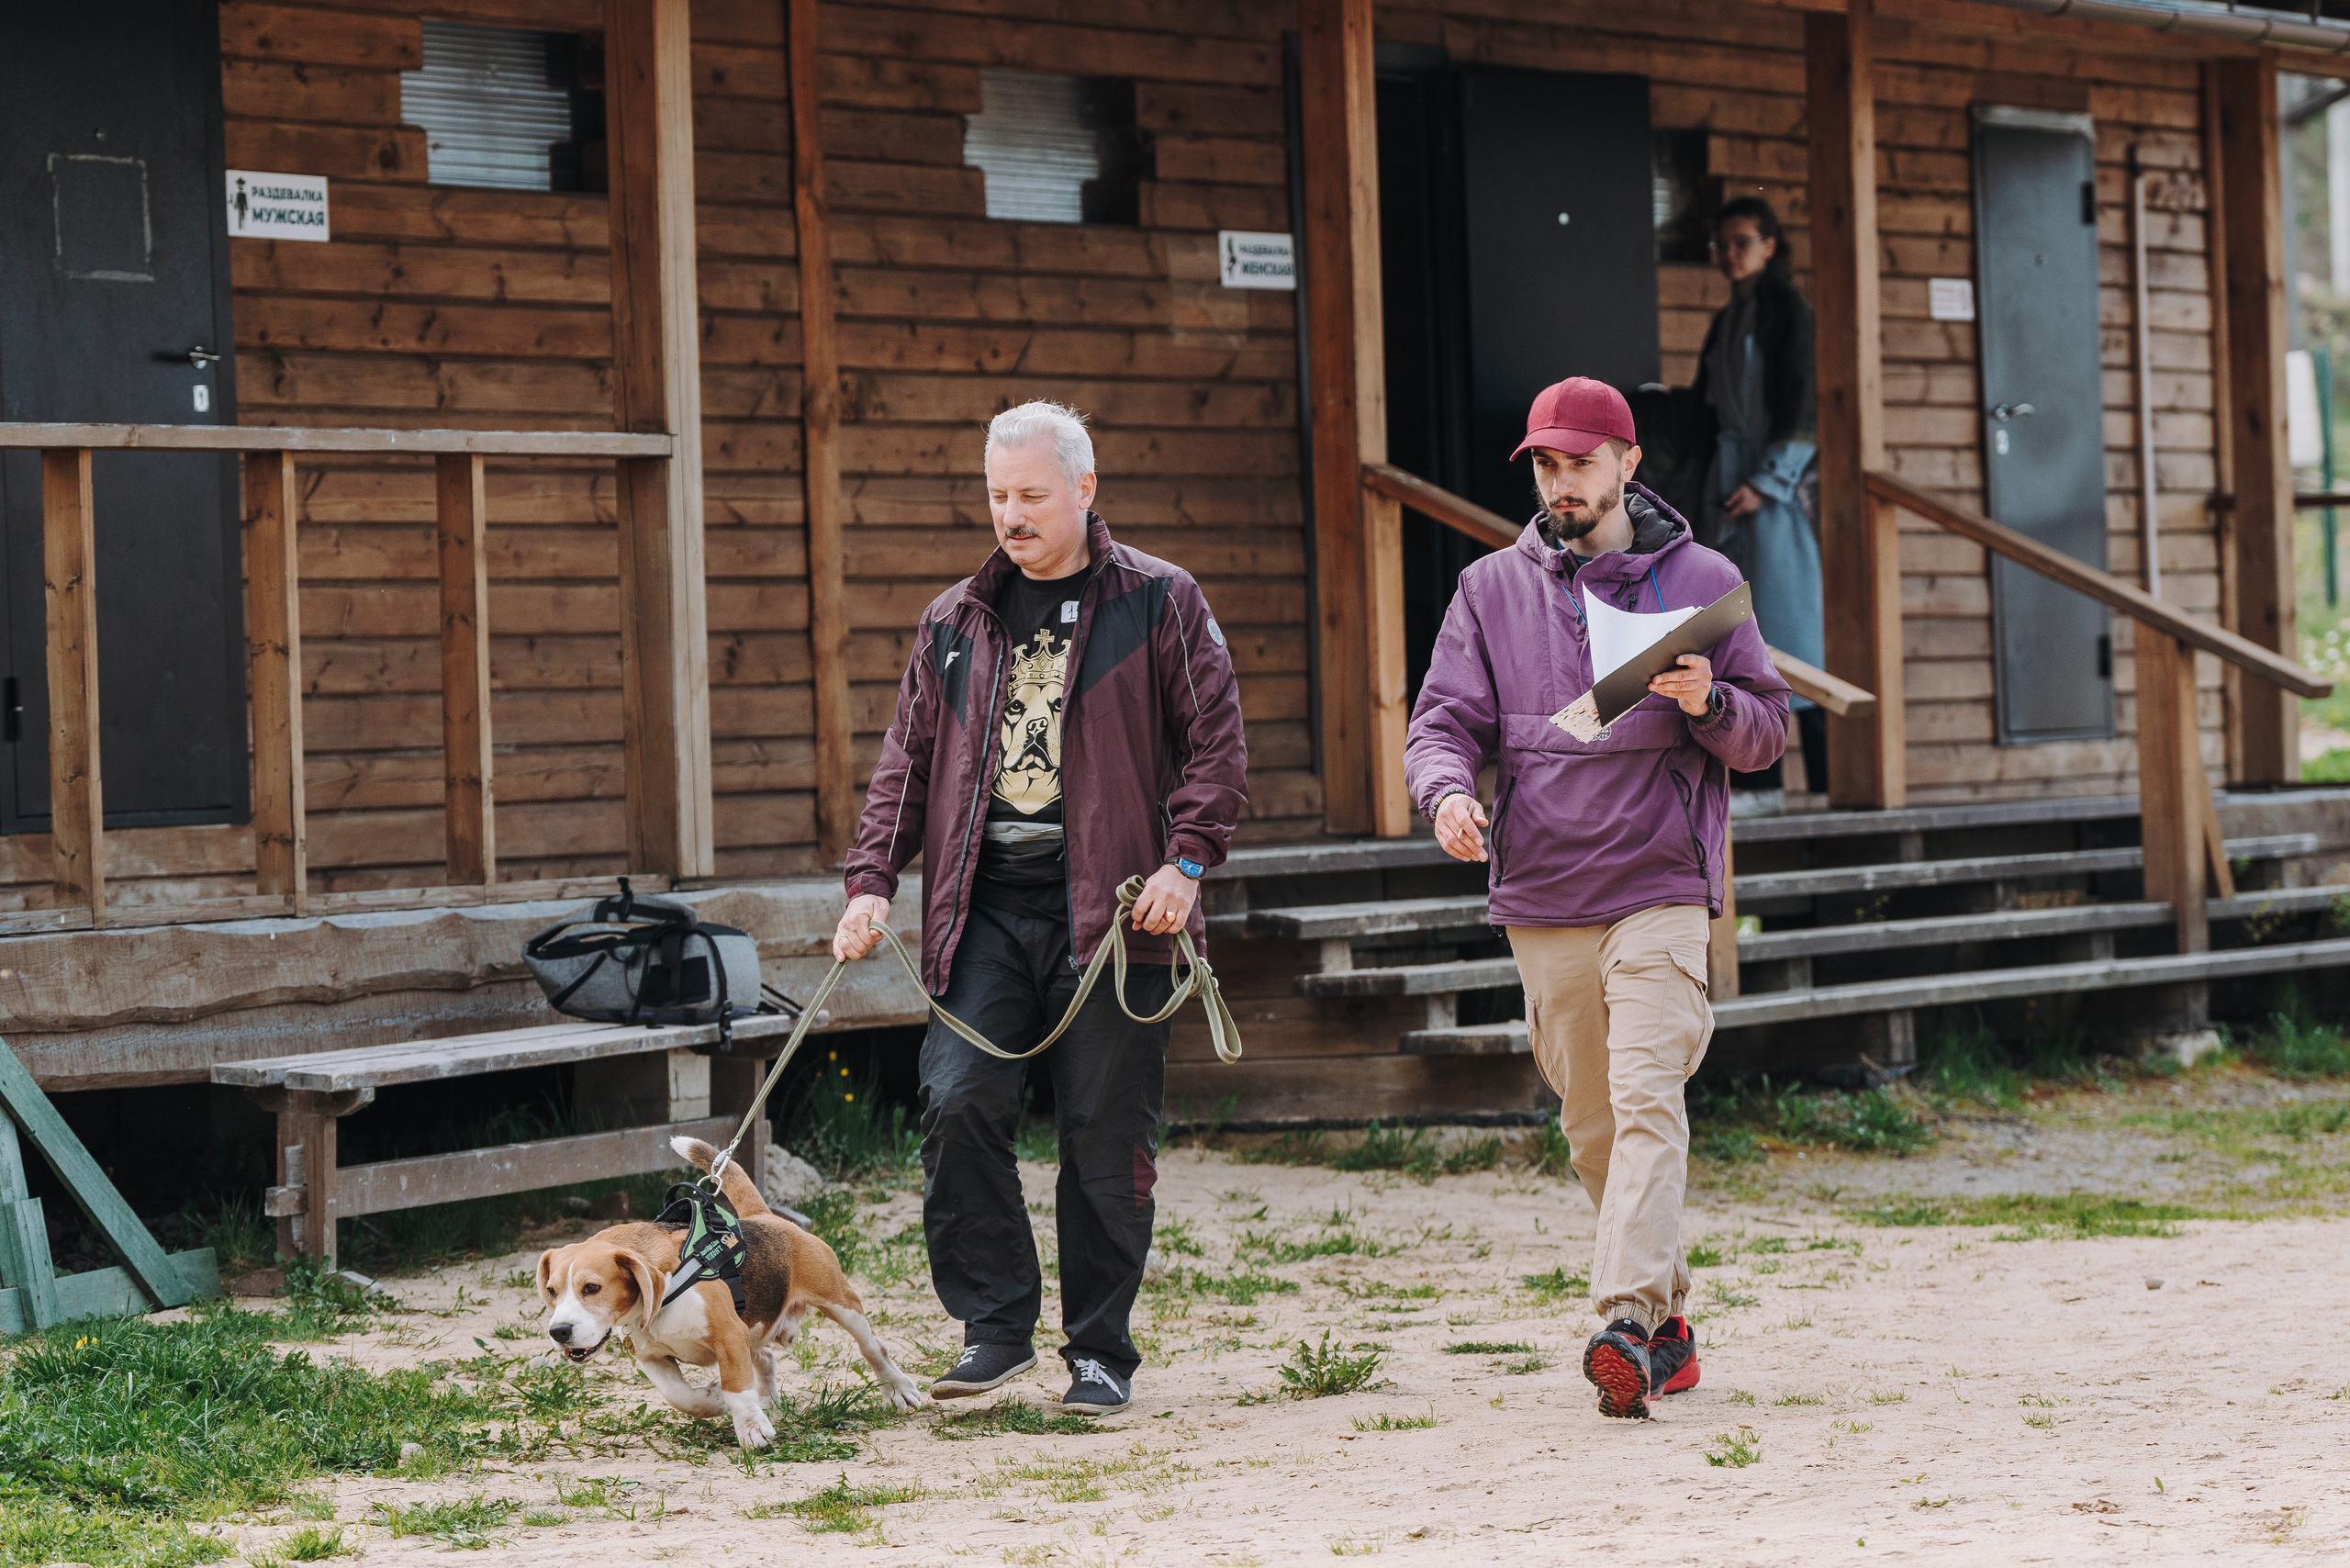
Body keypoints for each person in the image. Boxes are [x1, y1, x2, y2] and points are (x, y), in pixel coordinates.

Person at [833, 400, 1248, 1417]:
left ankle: (1099, 1350)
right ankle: (996, 1327)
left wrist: (1184, 865)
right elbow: (904, 766)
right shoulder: (954, 619)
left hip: (1115, 918)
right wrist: (870, 880)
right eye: (996, 496)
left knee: (1105, 1137)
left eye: (1029, 495)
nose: (1010, 516)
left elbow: (1217, 750)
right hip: (982, 912)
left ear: (1083, 489)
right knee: (957, 1099)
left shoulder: (1160, 600)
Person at [1404, 377, 1790, 1420]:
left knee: (1648, 1099)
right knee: (1592, 1127)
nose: (1561, 482)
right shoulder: (1488, 589)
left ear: (1627, 464)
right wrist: (1444, 794)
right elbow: (1440, 721)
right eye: (1545, 464)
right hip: (1541, 889)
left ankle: (1621, 1318)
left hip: (1661, 883)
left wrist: (1710, 701)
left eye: (1580, 462)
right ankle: (1668, 1328)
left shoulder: (1702, 578)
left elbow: (1768, 732)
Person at [1695, 195, 1825, 811]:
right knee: (1732, 628)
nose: (1730, 255)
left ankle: (1827, 780)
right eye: (1722, 244)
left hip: (1777, 488)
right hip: (1728, 477)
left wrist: (1769, 479)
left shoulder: (1787, 311)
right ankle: (1756, 784)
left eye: (1741, 242)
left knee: (1790, 625)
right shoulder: (1728, 318)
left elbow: (1804, 402)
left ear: (1770, 245)